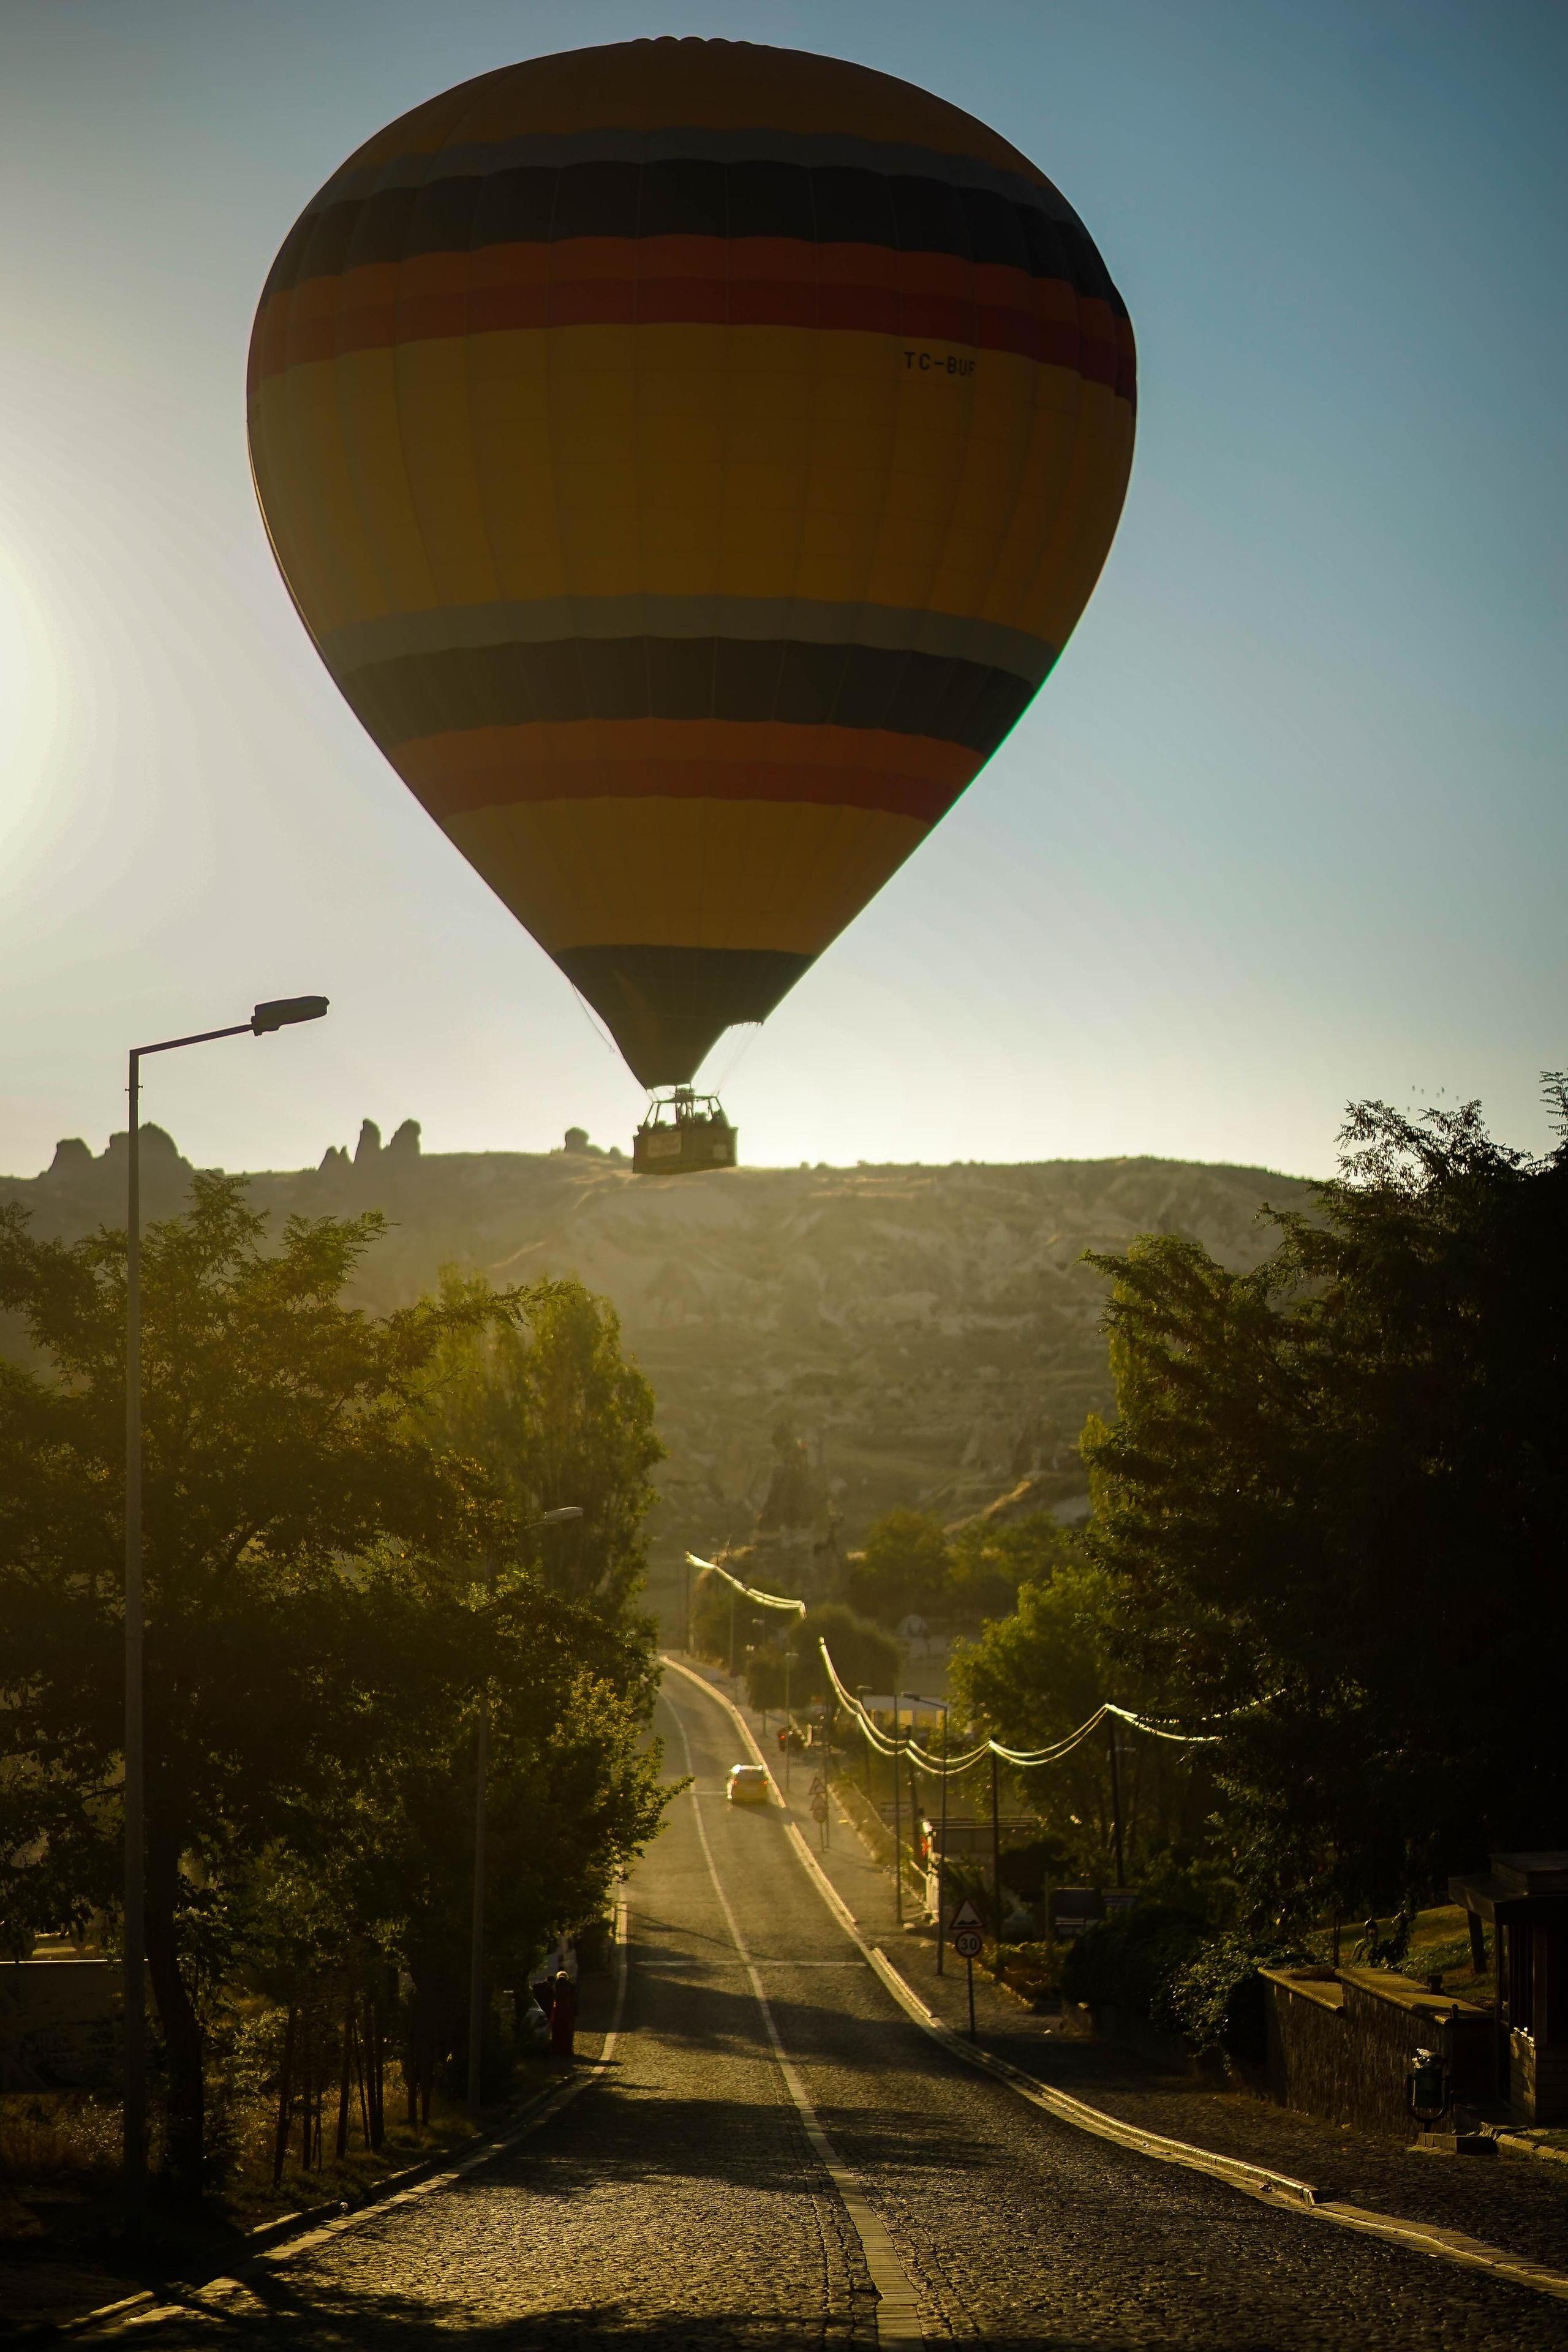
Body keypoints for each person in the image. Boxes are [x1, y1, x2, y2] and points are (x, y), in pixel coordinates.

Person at [549, 1967, 578, 2060]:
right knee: (568, 2032)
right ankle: (567, 2050)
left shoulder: (555, 1987)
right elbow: (575, 2001)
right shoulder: (572, 1987)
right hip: (569, 2013)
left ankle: (557, 2050)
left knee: (557, 2031)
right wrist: (575, 2012)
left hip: (557, 2013)